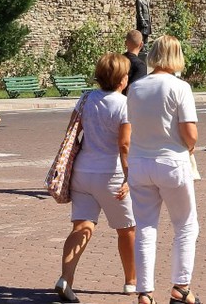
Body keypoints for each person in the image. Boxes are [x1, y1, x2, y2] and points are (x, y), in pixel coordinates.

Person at [126, 35, 202, 304]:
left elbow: (131, 124)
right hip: (171, 161)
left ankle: (144, 291)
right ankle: (181, 286)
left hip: (139, 161)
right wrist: (189, 143)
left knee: (146, 226)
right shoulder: (180, 87)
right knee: (185, 225)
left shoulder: (135, 88)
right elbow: (190, 133)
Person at [54, 54, 137, 303]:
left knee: (82, 226)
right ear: (122, 80)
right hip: (110, 174)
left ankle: (65, 278)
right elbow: (124, 145)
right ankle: (131, 281)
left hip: (82, 171)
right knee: (127, 229)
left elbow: (73, 131)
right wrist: (128, 177)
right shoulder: (124, 105)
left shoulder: (86, 98)